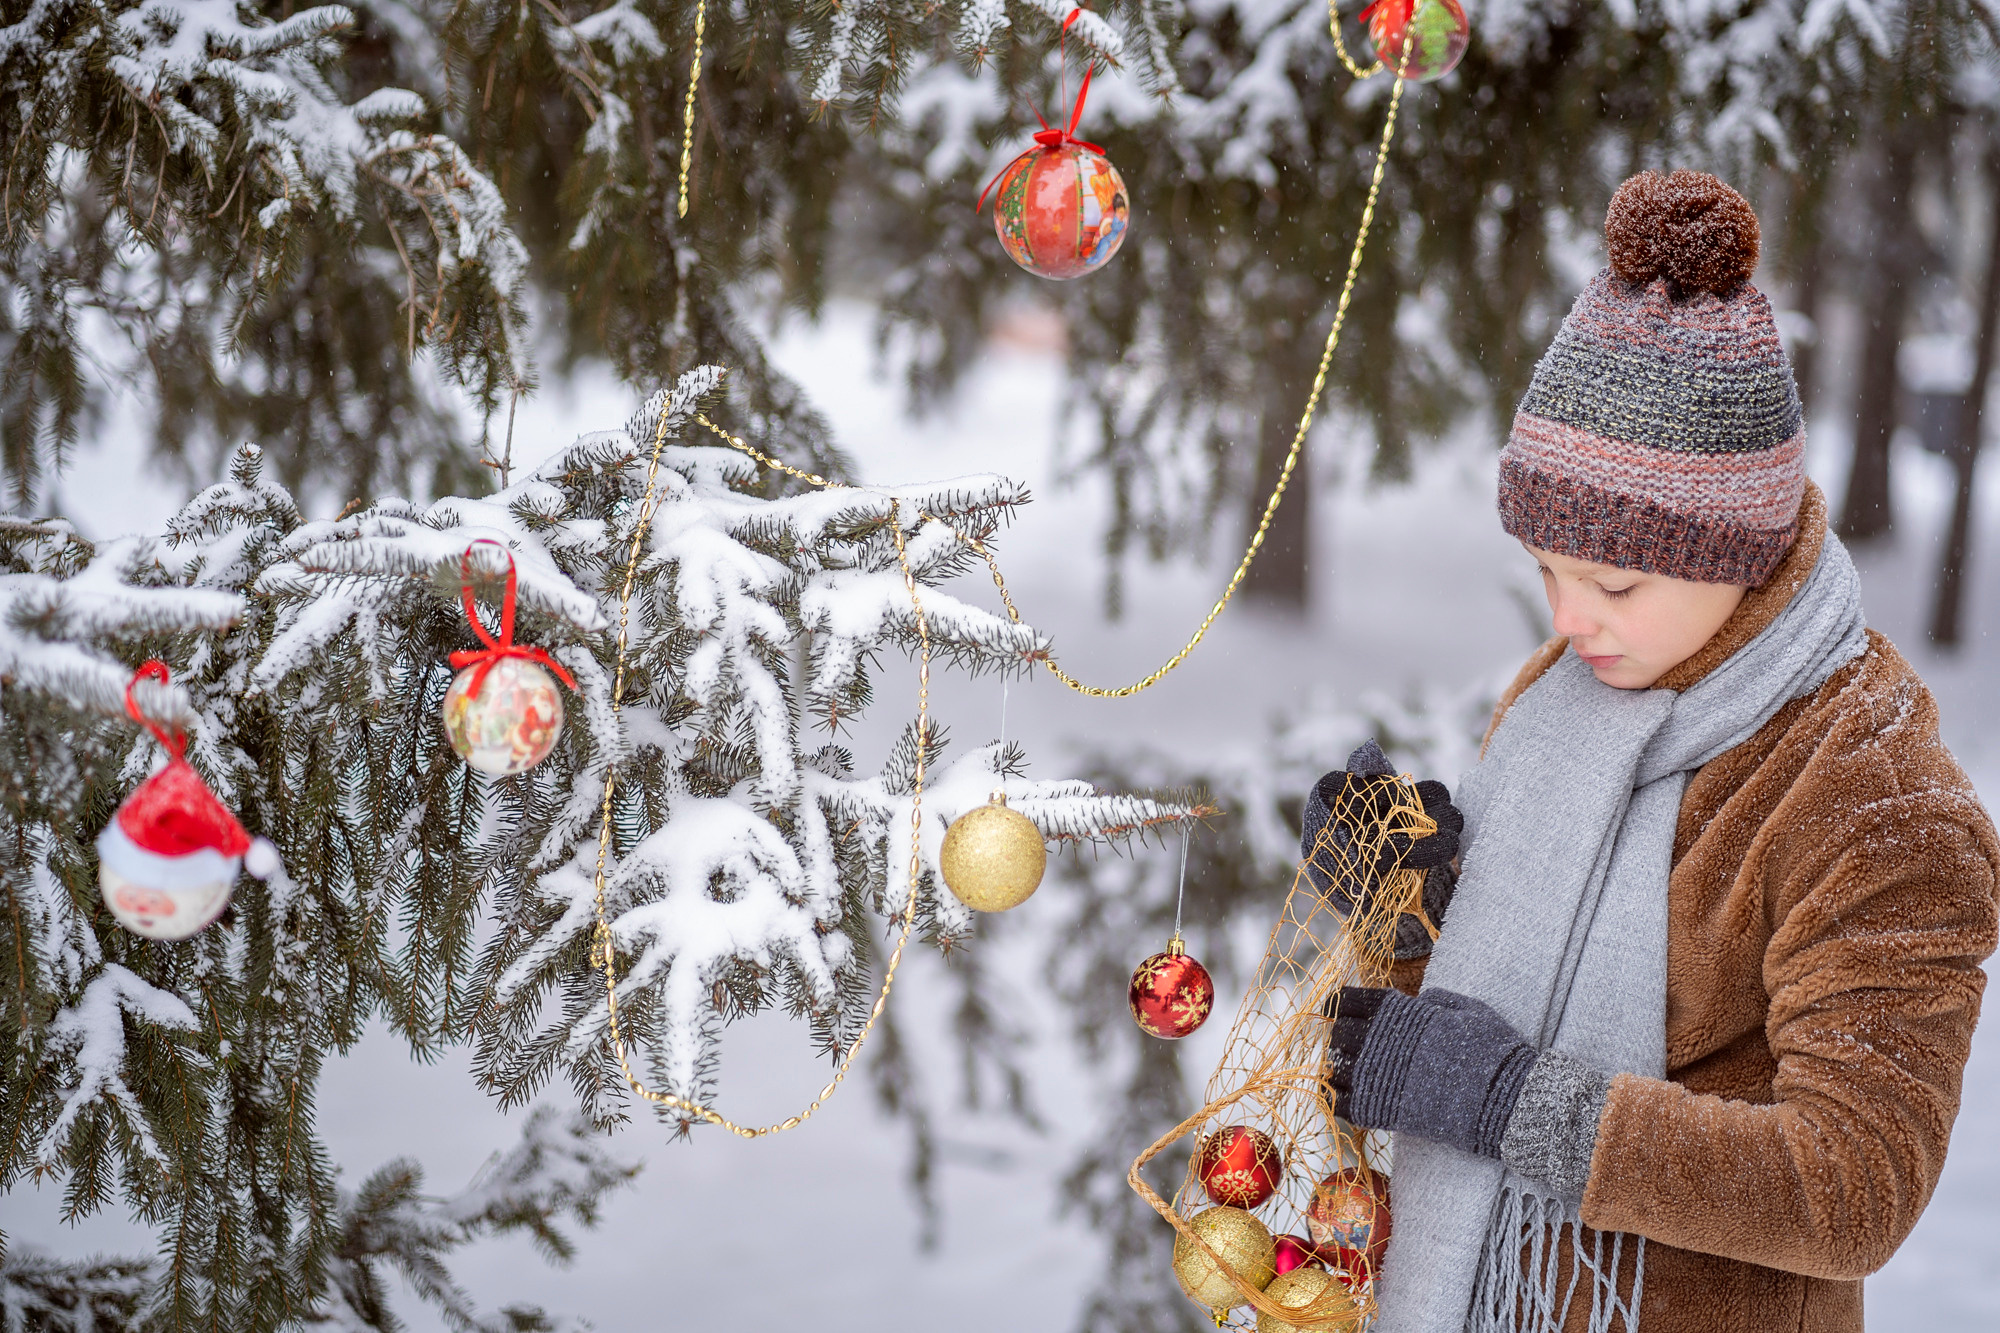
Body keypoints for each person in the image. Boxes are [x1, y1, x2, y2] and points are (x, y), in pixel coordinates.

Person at [1301, 170, 2000, 1333]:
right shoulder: (1574, 689)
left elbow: (1852, 1187)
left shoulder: (1873, 801)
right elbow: (1498, 1012)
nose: (1567, 620)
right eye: (1546, 572)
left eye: (1612, 581)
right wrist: (1411, 916)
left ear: (1739, 546)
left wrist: (1517, 1105)